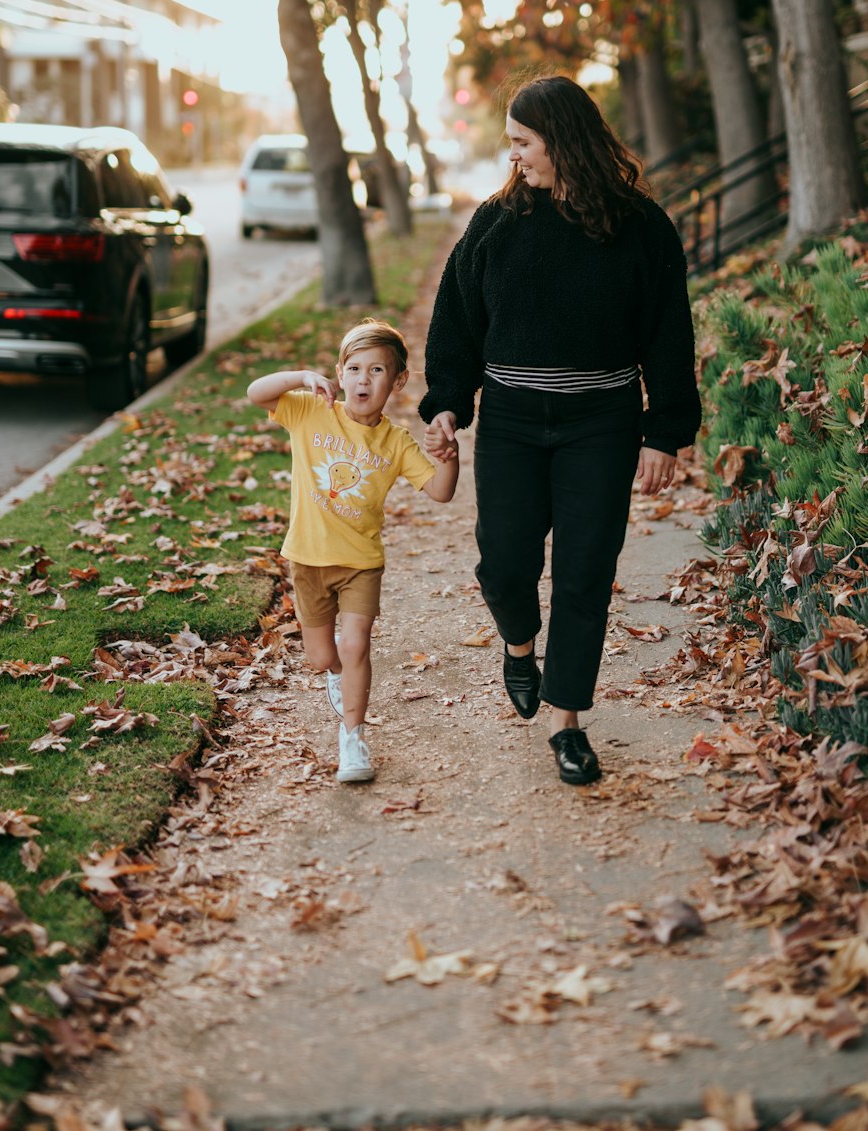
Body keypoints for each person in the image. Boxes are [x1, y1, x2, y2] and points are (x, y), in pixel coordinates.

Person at [420, 76, 700, 787]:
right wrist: (448, 401)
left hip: (600, 425)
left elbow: (669, 333)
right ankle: (520, 646)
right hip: (512, 421)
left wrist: (663, 429)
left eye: (523, 143)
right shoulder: (498, 222)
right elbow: (456, 316)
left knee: (584, 575)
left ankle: (566, 722)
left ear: (563, 140)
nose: (514, 158)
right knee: (504, 560)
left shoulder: (641, 227)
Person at [248, 318, 459, 783]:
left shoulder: (395, 441)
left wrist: (450, 454)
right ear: (340, 374)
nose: (364, 380)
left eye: (378, 371)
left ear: (398, 381)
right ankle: (337, 677)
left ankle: (353, 740)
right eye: (355, 368)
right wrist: (302, 376)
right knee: (324, 658)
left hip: (361, 563)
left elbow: (441, 492)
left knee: (356, 643)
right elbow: (256, 392)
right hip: (308, 557)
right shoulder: (309, 411)